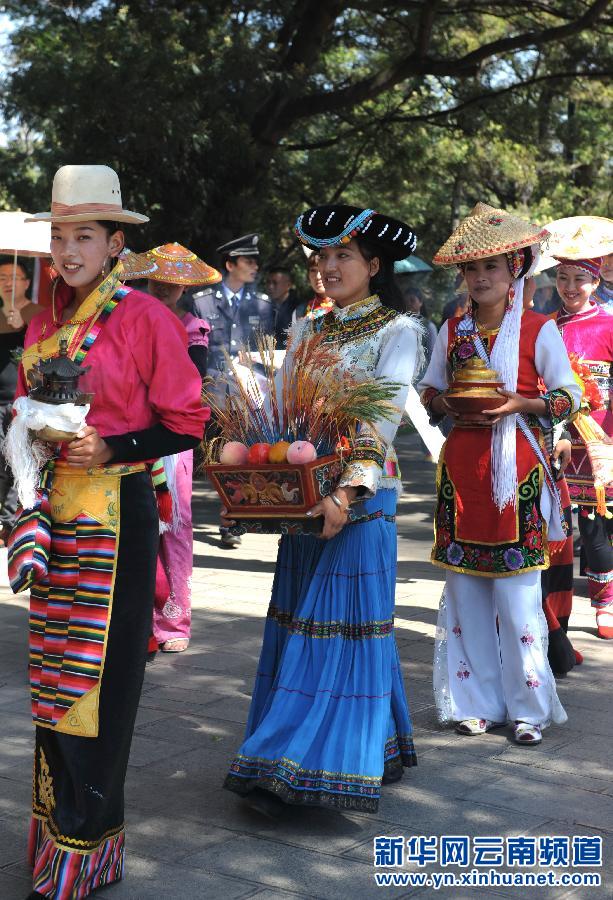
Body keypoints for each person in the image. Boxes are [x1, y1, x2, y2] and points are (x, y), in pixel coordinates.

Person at [16, 165, 208, 900]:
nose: (68, 251)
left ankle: (85, 845)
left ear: (115, 243)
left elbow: (188, 421)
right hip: (53, 513)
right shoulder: (42, 321)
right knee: (53, 677)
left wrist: (115, 447)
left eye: (84, 237)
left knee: (100, 680)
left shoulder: (144, 319)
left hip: (115, 514)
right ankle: (53, 837)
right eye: (60, 236)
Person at [223, 204, 422, 816]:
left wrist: (346, 492)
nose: (328, 267)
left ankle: (314, 763)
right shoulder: (307, 327)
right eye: (321, 258)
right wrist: (253, 487)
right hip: (305, 499)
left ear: (373, 265)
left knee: (343, 626)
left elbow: (381, 419)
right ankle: (371, 744)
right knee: (309, 622)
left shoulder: (399, 330)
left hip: (358, 498)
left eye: (342, 256)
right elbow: (284, 416)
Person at [419, 202, 581, 746]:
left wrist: (520, 404)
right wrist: (446, 401)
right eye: (472, 269)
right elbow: (429, 392)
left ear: (515, 269)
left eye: (492, 267)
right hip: (462, 472)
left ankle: (529, 709)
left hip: (519, 477)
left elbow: (569, 397)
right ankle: (474, 703)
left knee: (517, 600)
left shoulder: (538, 330)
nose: (481, 277)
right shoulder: (453, 329)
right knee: (466, 596)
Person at [122, 242, 220, 653]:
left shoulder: (194, 328)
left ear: (183, 287)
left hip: (169, 438)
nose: (163, 287)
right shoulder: (128, 316)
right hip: (128, 436)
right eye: (156, 279)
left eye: (172, 282)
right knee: (134, 527)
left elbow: (192, 381)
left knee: (174, 526)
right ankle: (137, 620)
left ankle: (174, 623)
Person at [185, 233, 273, 547]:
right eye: (248, 261)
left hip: (248, 393)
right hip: (212, 393)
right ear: (229, 264)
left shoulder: (262, 304)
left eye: (255, 261)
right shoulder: (202, 301)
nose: (255, 267)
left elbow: (266, 351)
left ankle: (230, 517)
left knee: (236, 454)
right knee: (215, 455)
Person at [554, 256, 613, 639]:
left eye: (580, 278)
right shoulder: (545, 327)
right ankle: (600, 603)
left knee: (602, 524)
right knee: (583, 527)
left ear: (595, 282)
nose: (570, 286)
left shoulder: (609, 324)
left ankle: (606, 599)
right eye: (562, 277)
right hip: (558, 439)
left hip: (603, 436)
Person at [0, 259, 38, 544]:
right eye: (2, 277)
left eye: (14, 276)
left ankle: (10, 521)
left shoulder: (37, 314)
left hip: (23, 402)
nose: (8, 282)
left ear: (27, 282)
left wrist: (23, 325)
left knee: (18, 461)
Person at [265, 265, 305, 347]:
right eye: (268, 282)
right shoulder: (263, 307)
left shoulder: (299, 309)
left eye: (275, 283)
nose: (270, 286)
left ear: (288, 285)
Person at [403, 287, 438, 361]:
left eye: (412, 300)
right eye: (406, 301)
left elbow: (432, 355)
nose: (409, 304)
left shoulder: (429, 327)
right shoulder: (400, 324)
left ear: (420, 302)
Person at [304, 249, 335, 319]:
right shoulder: (304, 308)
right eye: (313, 270)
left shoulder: (347, 305)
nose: (318, 276)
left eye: (322, 270)